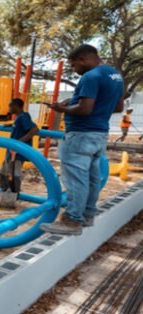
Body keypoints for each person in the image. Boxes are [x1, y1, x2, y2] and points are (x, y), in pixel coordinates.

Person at [41, 44, 124, 235]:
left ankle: (72, 220)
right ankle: (87, 215)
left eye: (73, 66)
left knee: (76, 179)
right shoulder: (114, 75)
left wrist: (62, 110)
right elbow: (117, 106)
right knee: (92, 177)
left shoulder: (90, 76)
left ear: (83, 60)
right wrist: (74, 103)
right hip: (100, 133)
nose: (74, 70)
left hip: (81, 134)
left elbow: (85, 109)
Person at [0, 98, 39, 208]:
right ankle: (5, 193)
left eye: (10, 106)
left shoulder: (24, 117)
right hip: (12, 151)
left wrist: (19, 143)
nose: (9, 108)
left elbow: (34, 129)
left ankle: (13, 196)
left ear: (16, 106)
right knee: (3, 172)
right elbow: (20, 127)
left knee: (13, 174)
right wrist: (11, 125)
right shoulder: (19, 118)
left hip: (16, 152)